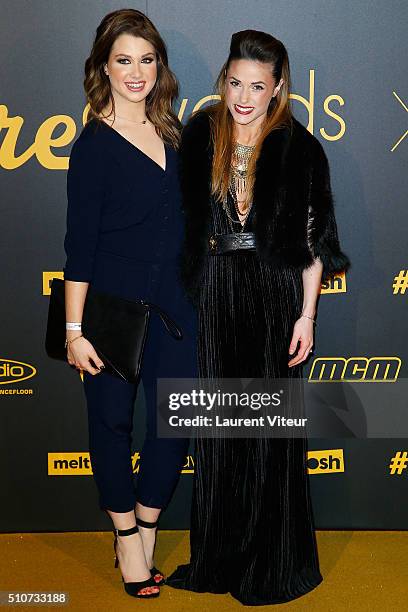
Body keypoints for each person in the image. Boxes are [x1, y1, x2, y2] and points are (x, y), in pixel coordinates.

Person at [167, 30, 350, 605]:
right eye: (235, 83)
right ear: (223, 81)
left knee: (269, 431)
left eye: (257, 86)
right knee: (221, 434)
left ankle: (272, 562)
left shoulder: (301, 148)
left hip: (274, 297)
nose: (244, 96)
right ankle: (221, 558)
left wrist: (307, 315)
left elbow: (314, 242)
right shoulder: (198, 135)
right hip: (216, 294)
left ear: (278, 90)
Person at [63, 9, 196, 599]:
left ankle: (146, 525)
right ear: (103, 68)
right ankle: (123, 538)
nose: (136, 72)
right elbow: (79, 246)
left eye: (146, 59)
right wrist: (73, 329)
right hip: (109, 310)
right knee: (111, 424)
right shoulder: (92, 145)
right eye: (124, 60)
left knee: (176, 426)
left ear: (158, 66)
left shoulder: (176, 135)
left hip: (174, 306)